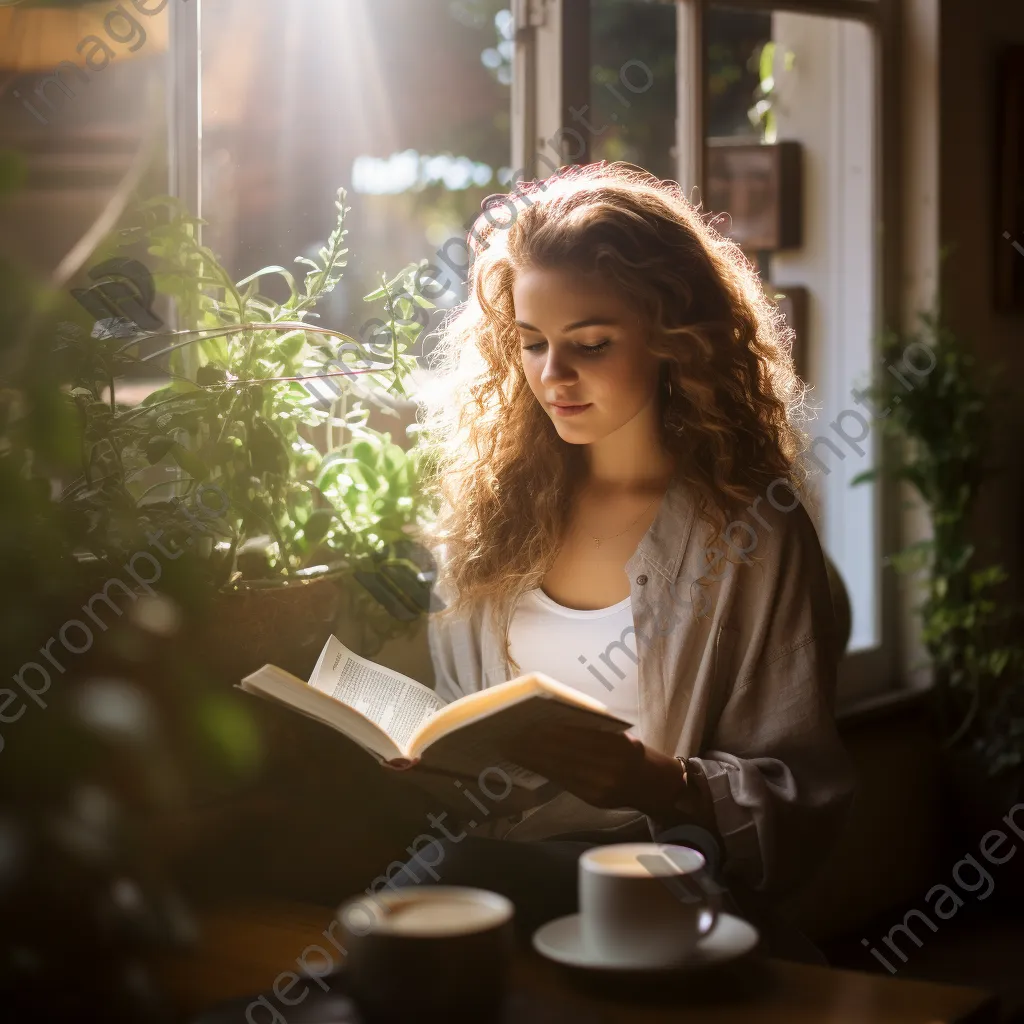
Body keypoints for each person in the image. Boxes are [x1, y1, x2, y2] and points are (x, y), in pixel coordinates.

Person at [383, 160, 856, 961]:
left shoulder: (748, 537)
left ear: (676, 341)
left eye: (590, 344)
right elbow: (466, 726)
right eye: (531, 344)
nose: (552, 376)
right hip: (499, 863)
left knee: (424, 898)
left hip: (662, 880)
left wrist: (657, 783)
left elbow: (801, 793)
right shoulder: (492, 521)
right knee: (418, 902)